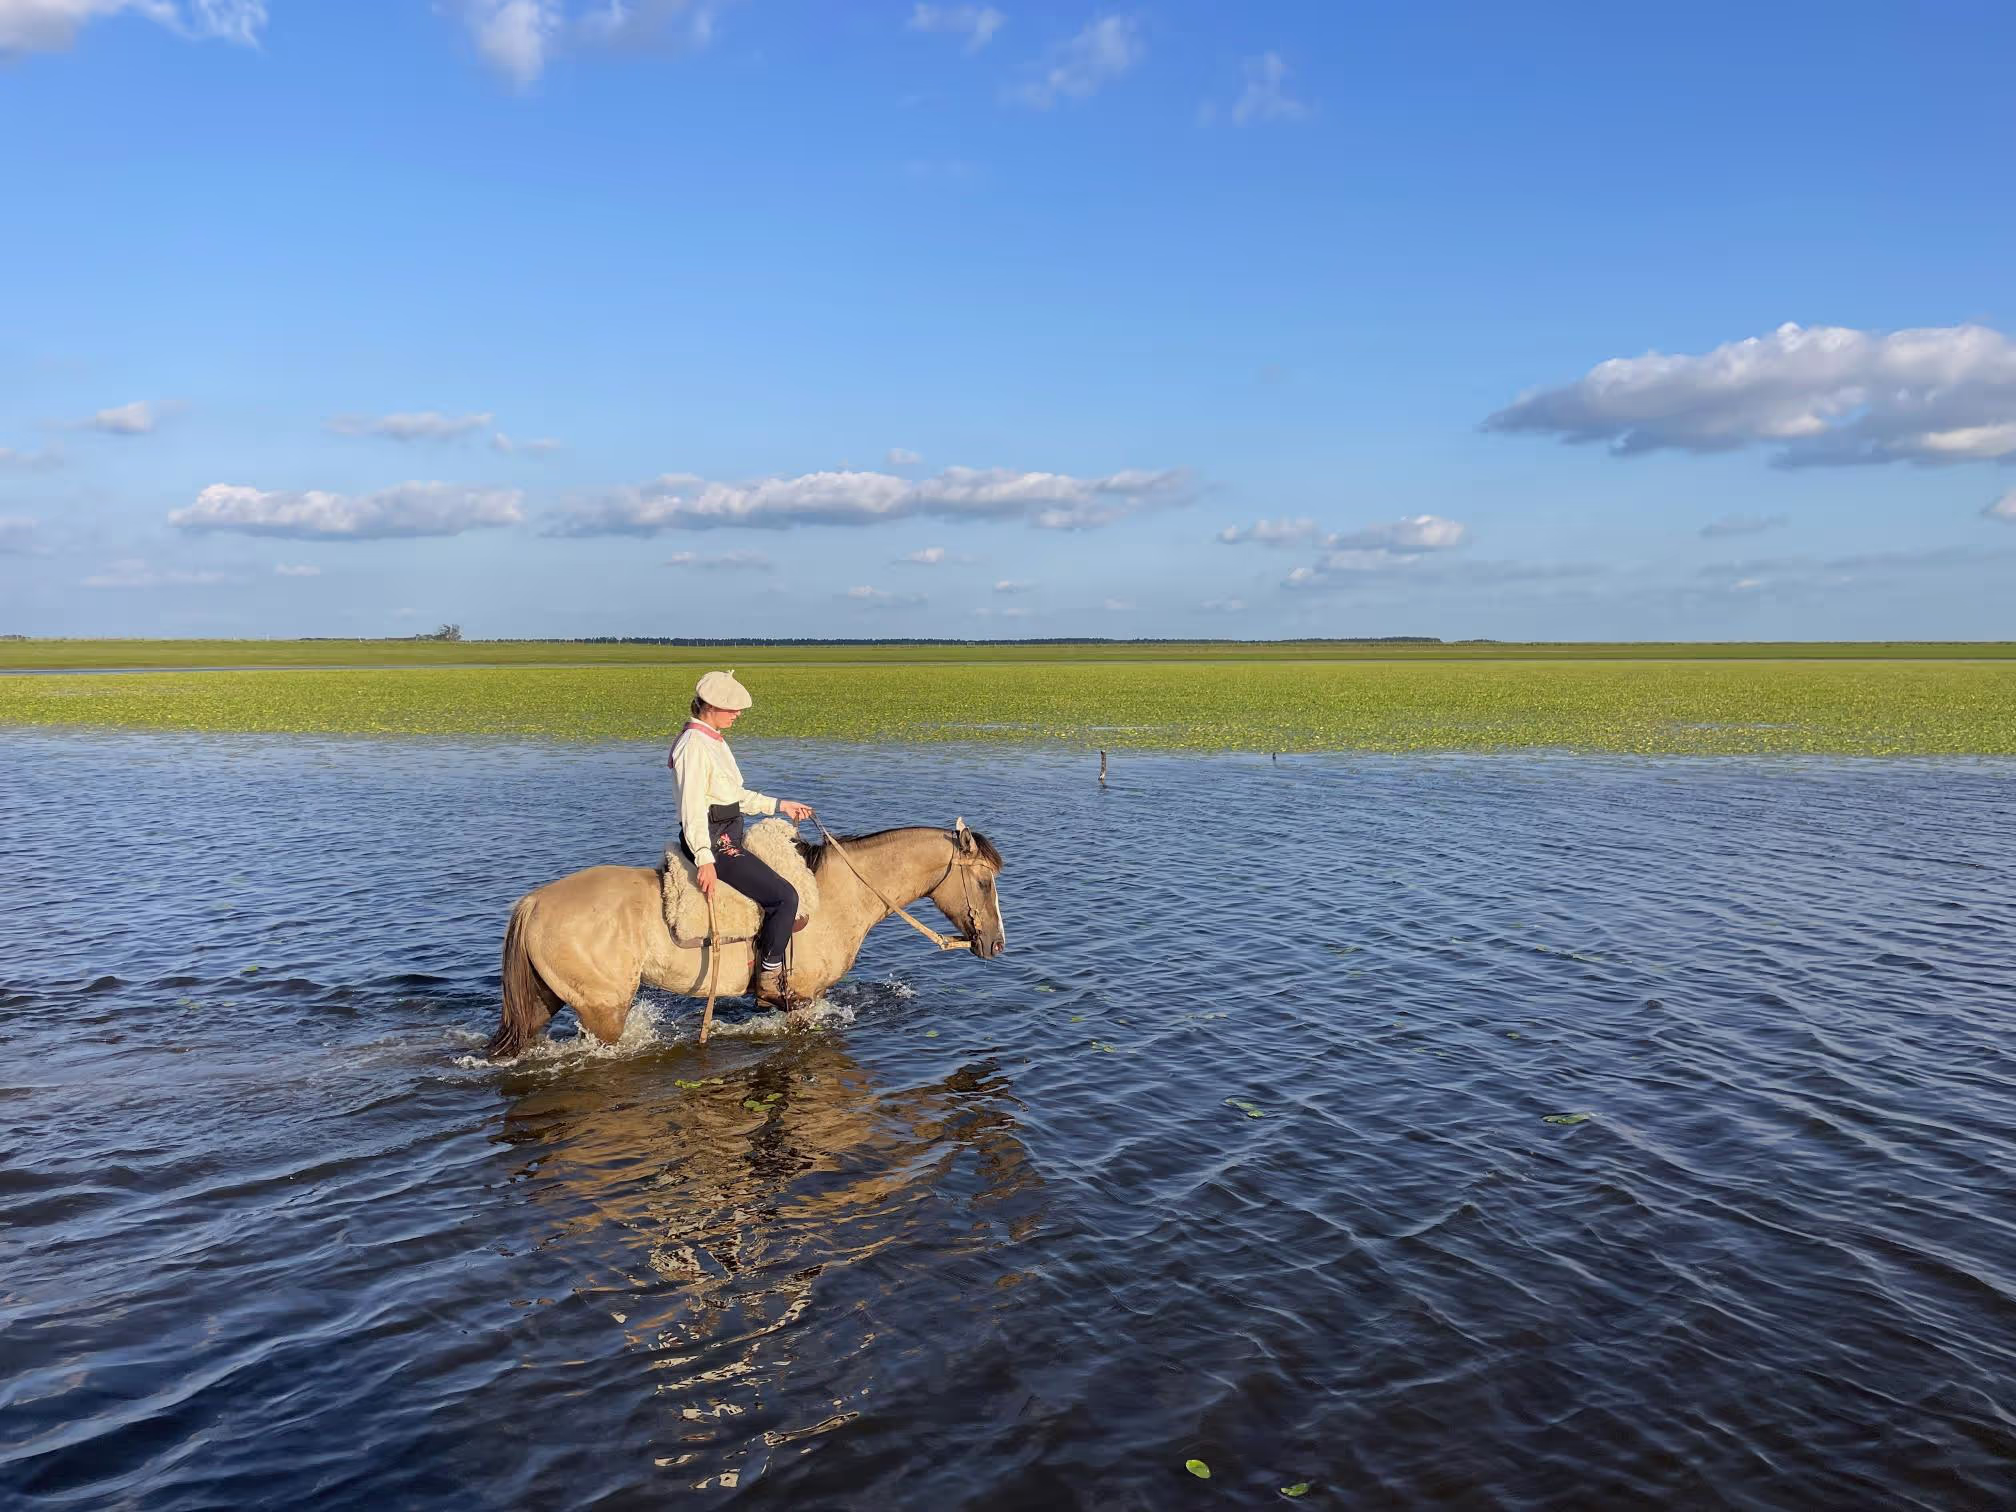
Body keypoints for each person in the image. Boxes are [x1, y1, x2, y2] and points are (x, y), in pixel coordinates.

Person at [669, 669, 816, 1003]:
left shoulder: (713, 741)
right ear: (710, 706)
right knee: (785, 898)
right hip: (713, 840)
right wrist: (705, 859)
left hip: (727, 833)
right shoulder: (694, 746)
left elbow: (735, 797)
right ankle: (769, 978)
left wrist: (780, 805)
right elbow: (692, 809)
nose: (738, 714)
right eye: (731, 708)